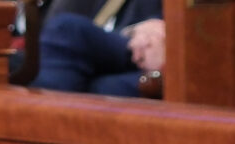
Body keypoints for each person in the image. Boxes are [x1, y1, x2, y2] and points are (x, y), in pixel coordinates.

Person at [30, 0, 163, 96]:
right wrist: (134, 31)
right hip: (123, 39)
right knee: (16, 63)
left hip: (165, 52)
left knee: (66, 30)